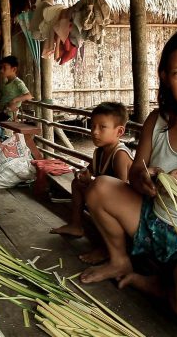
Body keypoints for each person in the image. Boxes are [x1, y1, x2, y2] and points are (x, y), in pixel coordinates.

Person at [79, 28, 177, 331]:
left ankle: (155, 285)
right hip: (154, 222)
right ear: (165, 77)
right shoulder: (158, 120)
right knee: (99, 188)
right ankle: (120, 259)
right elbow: (136, 171)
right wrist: (143, 179)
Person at [50, 102, 133, 264]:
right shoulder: (99, 151)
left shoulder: (120, 155)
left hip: (124, 208)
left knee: (93, 194)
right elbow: (91, 172)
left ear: (119, 131)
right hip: (108, 199)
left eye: (102, 127)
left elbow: (122, 192)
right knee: (77, 184)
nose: (94, 132)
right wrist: (83, 176)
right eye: (92, 126)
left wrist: (92, 182)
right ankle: (76, 225)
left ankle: (107, 248)